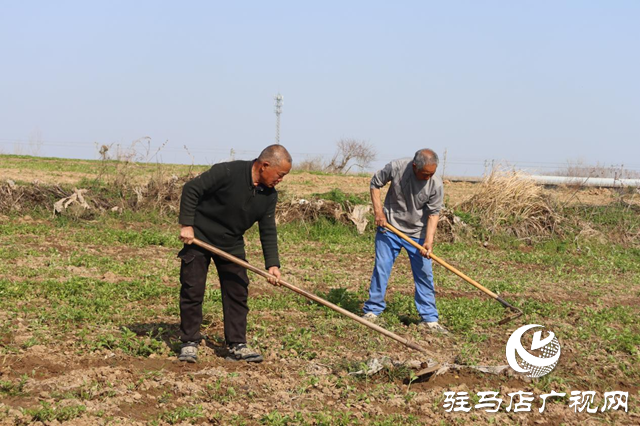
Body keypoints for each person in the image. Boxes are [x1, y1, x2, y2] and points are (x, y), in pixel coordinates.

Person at [176, 145, 292, 363]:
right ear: (265, 165)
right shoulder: (227, 172)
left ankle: (237, 344)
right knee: (193, 289)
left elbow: (267, 228)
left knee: (237, 290)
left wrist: (272, 264)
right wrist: (187, 225)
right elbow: (192, 189)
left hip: (231, 243)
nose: (280, 180)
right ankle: (189, 342)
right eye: (280, 175)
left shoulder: (269, 195)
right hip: (200, 236)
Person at [362, 149, 449, 333]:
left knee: (425, 274)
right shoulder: (397, 167)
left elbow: (433, 214)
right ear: (415, 166)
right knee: (382, 268)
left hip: (417, 233)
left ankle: (429, 319)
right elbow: (375, 184)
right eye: (425, 174)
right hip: (390, 227)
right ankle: (372, 311)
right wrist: (379, 212)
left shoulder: (436, 184)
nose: (428, 178)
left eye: (432, 174)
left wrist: (429, 241)